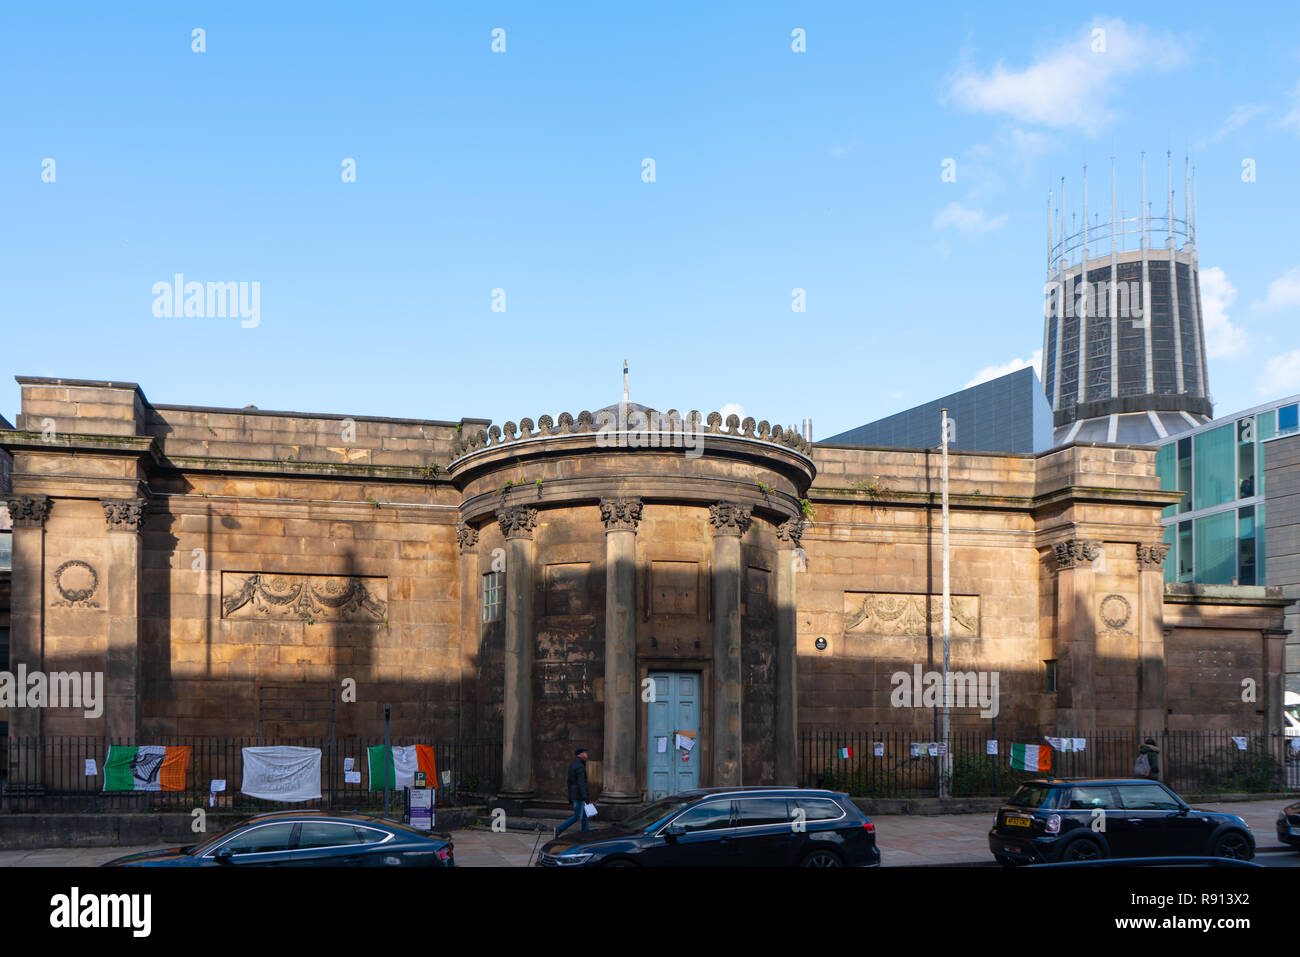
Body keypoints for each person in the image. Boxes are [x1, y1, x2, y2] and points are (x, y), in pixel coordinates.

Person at [555, 747, 591, 835]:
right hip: (579, 795)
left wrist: (570, 796)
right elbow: (581, 783)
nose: (587, 754)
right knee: (578, 816)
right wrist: (585, 796)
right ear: (581, 754)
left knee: (585, 814)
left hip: (576, 794)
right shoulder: (579, 766)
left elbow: (570, 782)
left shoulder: (574, 764)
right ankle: (559, 829)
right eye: (585, 752)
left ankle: (585, 832)